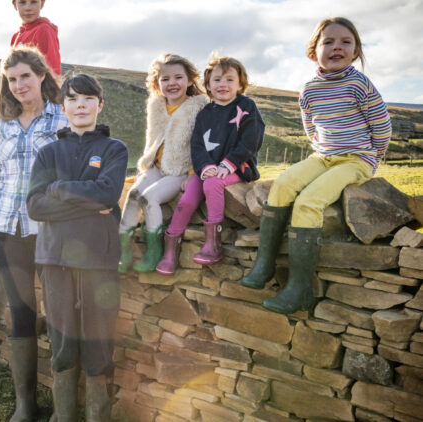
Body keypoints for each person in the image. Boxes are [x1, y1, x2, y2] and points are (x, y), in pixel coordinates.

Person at [241, 17, 391, 314]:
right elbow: (311, 127)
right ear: (314, 51)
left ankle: (300, 288)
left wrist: (372, 157)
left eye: (346, 42)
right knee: (282, 185)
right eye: (329, 42)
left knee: (309, 201)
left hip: (356, 158)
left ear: (356, 51)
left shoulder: (359, 83)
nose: (337, 47)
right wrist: (321, 151)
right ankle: (264, 265)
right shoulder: (309, 89)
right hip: (322, 155)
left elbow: (381, 125)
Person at [0, 45, 68, 422]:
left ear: (42, 75)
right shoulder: (1, 123)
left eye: (25, 76)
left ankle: (64, 409)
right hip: (7, 230)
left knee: (60, 315)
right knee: (21, 314)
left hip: (51, 232)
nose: (18, 85)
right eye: (11, 80)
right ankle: (25, 405)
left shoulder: (62, 119)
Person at [27, 74, 127, 422]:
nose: (80, 105)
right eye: (72, 99)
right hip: (54, 258)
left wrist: (58, 188)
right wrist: (86, 195)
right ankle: (63, 415)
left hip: (99, 259)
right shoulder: (48, 151)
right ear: (62, 106)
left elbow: (108, 195)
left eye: (88, 98)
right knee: (63, 344)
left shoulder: (114, 149)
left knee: (99, 346)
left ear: (100, 104)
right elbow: (35, 207)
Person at [159, 56, 265, 274]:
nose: (223, 85)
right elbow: (197, 145)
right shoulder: (205, 113)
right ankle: (170, 252)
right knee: (186, 200)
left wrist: (229, 163)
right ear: (208, 85)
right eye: (217, 80)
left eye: (229, 79)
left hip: (238, 167)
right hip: (209, 169)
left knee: (212, 184)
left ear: (240, 84)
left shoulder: (246, 107)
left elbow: (251, 140)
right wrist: (205, 166)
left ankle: (212, 245)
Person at [118, 54, 208, 274]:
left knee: (149, 198)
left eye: (178, 77)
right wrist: (145, 168)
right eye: (165, 79)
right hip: (156, 167)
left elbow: (201, 144)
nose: (172, 83)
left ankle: (154, 251)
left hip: (179, 169)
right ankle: (123, 251)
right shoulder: (157, 106)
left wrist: (192, 174)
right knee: (133, 195)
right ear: (157, 84)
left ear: (189, 80)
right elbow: (152, 139)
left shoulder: (198, 108)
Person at [11, 0, 61, 76]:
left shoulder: (44, 30)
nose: (28, 8)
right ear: (15, 5)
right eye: (22, 2)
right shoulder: (15, 37)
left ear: (42, 3)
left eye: (33, 2)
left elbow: (53, 70)